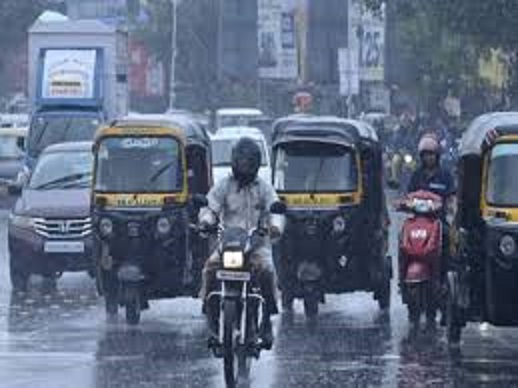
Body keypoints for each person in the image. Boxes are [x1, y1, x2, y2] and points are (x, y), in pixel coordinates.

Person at [199, 137, 283, 349]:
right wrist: (207, 221)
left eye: (249, 161)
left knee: (267, 271)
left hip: (256, 245)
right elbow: (210, 207)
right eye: (241, 161)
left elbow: (275, 207)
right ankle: (211, 322)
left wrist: (275, 226)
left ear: (255, 163)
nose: (245, 165)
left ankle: (266, 322)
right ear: (234, 161)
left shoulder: (263, 187)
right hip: (228, 244)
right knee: (209, 269)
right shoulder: (224, 185)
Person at [407, 134, 455, 326]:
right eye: (425, 155)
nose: (429, 158)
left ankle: (444, 290)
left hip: (437, 223)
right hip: (418, 222)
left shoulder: (445, 176)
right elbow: (408, 196)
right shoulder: (416, 175)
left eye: (432, 154)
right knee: (403, 239)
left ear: (437, 156)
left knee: (448, 247)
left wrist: (449, 209)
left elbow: (451, 198)